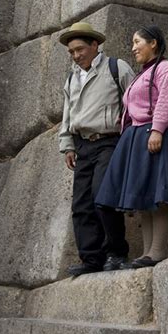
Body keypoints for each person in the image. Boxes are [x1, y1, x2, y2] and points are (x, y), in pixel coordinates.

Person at [95, 25, 168, 268]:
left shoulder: (165, 69)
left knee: (158, 197)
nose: (133, 47)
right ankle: (147, 253)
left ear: (153, 44)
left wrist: (157, 129)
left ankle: (156, 252)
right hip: (137, 136)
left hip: (155, 133)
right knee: (145, 198)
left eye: (138, 42)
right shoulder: (142, 74)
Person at [59, 21, 135, 277]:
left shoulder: (116, 68)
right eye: (71, 52)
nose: (76, 55)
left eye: (80, 49)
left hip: (110, 141)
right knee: (81, 206)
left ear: (95, 45)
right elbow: (67, 115)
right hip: (83, 146)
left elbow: (136, 102)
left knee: (103, 197)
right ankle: (91, 258)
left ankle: (116, 253)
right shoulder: (71, 78)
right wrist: (67, 145)